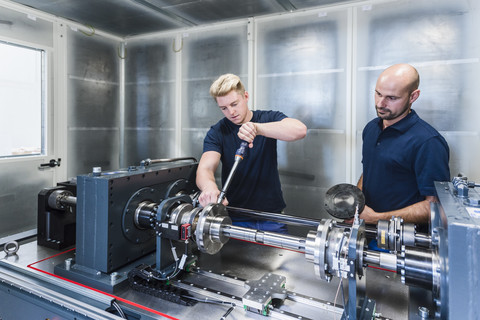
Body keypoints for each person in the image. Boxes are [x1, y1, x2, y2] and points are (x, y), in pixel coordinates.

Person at [196, 73, 307, 233]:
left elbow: (300, 130)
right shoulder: (217, 132)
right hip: (235, 218)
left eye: (235, 104)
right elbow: (205, 168)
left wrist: (258, 128)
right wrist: (209, 188)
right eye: (224, 108)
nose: (231, 112)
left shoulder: (268, 117)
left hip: (272, 216)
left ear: (245, 96)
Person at [354, 63, 450, 229]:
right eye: (378, 94)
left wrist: (377, 218)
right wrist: (357, 202)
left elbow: (434, 206)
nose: (380, 103)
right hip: (368, 230)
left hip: (404, 241)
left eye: (392, 98)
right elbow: (370, 170)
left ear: (413, 97)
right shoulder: (371, 128)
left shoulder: (428, 142)